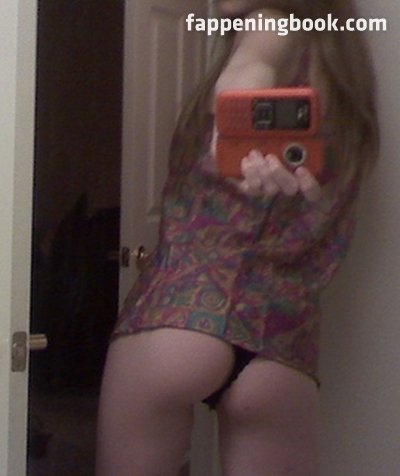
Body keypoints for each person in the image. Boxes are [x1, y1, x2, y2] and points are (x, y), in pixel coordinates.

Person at [96, 1, 379, 475]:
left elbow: (251, 67)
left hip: (178, 315)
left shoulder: (270, 24)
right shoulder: (345, 74)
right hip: (282, 345)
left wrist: (234, 125)